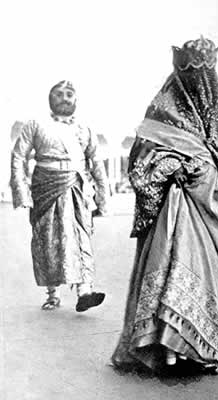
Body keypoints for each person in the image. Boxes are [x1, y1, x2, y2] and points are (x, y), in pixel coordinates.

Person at [111, 37, 218, 374]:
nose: (199, 83)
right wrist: (175, 166)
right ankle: (167, 348)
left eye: (205, 74)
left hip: (214, 209)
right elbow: (144, 159)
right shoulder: (161, 112)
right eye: (191, 74)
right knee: (170, 267)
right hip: (176, 208)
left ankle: (198, 349)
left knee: (211, 277)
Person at [10, 80, 109, 312]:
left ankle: (85, 291)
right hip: (45, 188)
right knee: (48, 239)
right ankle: (52, 293)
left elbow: (97, 164)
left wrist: (102, 199)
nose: (65, 98)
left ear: (76, 99)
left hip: (76, 187)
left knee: (81, 236)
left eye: (69, 94)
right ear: (49, 99)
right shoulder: (35, 125)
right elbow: (18, 156)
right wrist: (22, 192)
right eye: (59, 94)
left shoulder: (85, 129)